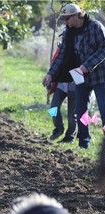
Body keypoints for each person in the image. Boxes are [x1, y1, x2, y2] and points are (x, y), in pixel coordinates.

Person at [42, 3, 105, 149]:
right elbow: (62, 55)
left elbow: (103, 49)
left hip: (100, 76)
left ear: (78, 15)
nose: (66, 21)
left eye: (68, 18)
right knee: (80, 111)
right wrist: (51, 74)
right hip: (80, 77)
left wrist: (86, 66)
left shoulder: (95, 27)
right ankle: (84, 143)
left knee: (103, 109)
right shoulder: (69, 32)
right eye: (64, 19)